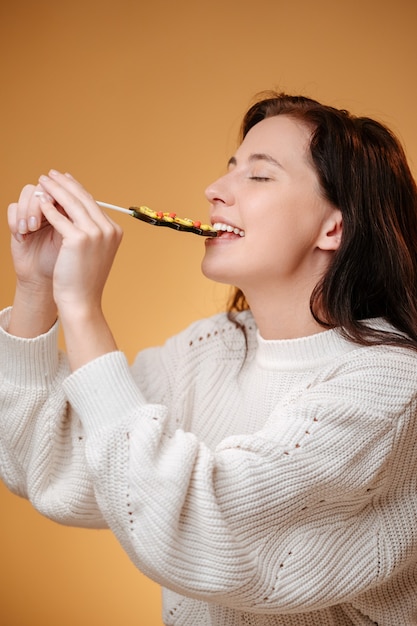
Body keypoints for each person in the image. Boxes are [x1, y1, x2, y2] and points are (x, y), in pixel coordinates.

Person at [1, 92, 417, 626]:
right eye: (228, 170)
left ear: (333, 228)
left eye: (258, 176)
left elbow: (202, 530)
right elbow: (50, 463)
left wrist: (83, 309)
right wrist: (38, 288)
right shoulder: (210, 348)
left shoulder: (392, 387)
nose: (215, 191)